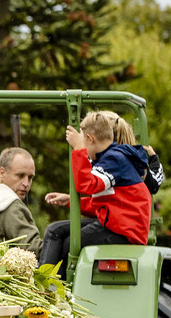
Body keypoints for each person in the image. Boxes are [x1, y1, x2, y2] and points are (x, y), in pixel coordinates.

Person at [38, 111, 154, 275]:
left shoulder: (114, 160)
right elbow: (105, 205)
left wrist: (78, 149)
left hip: (123, 231)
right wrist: (70, 200)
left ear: (90, 139)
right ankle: (42, 279)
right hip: (115, 224)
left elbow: (86, 186)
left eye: (83, 141)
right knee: (54, 230)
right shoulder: (110, 159)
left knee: (70, 244)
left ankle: (53, 286)